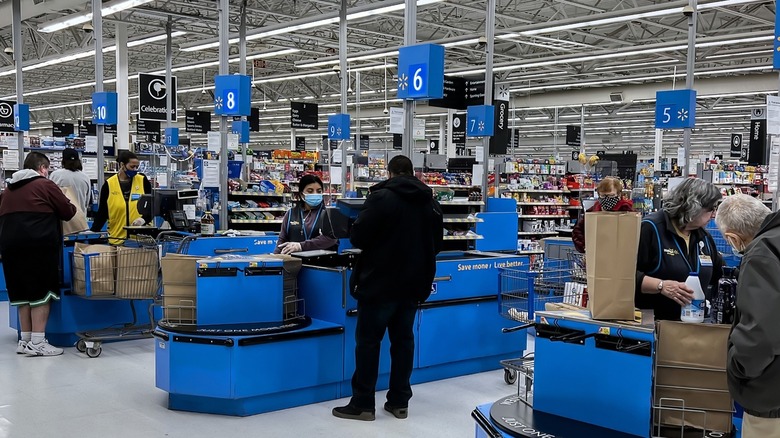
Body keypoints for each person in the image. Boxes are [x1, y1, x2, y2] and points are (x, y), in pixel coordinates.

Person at [333, 155, 443, 422]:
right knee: (403, 342)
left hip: (379, 284)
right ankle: (399, 402)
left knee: (369, 343)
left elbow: (359, 237)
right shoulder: (431, 203)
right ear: (412, 172)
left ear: (390, 173)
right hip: (413, 285)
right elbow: (436, 244)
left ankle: (362, 404)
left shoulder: (381, 198)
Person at [715, 194, 780, 437]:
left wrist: (737, 367)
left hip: (771, 398)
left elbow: (760, 335)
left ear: (733, 238)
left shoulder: (762, 254)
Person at [0, 152, 77, 356]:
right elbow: (68, 212)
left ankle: (25, 340)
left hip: (9, 247)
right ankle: (38, 341)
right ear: (42, 168)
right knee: (42, 294)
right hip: (38, 246)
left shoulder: (8, 190)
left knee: (22, 294)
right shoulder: (45, 185)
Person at [635, 178, 723, 321]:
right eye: (711, 209)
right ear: (693, 207)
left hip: (693, 326)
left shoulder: (703, 237)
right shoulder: (651, 228)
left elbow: (720, 273)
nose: (714, 215)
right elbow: (625, 276)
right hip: (654, 325)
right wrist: (661, 286)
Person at [90, 151, 152, 244]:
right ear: (122, 165)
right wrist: (93, 232)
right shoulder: (109, 184)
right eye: (132, 167)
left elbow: (152, 207)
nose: (135, 169)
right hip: (117, 238)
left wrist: (143, 219)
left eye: (136, 167)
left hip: (141, 239)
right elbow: (103, 212)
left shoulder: (143, 181)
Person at [274, 174, 337, 255]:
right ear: (301, 194)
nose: (315, 194)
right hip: (293, 264)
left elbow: (330, 239)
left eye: (319, 191)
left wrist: (301, 246)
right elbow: (282, 240)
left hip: (320, 264)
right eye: (310, 191)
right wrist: (276, 258)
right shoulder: (291, 214)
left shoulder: (328, 214)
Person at [572, 177, 634, 253]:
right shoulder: (593, 210)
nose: (607, 199)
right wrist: (585, 246)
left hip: (619, 255)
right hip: (596, 254)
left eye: (611, 196)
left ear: (619, 194)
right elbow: (577, 230)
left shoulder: (626, 210)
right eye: (603, 196)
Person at [49, 148, 92, 213]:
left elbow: (49, 198)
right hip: (79, 218)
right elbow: (86, 202)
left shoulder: (55, 175)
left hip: (60, 218)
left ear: (63, 161)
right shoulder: (85, 177)